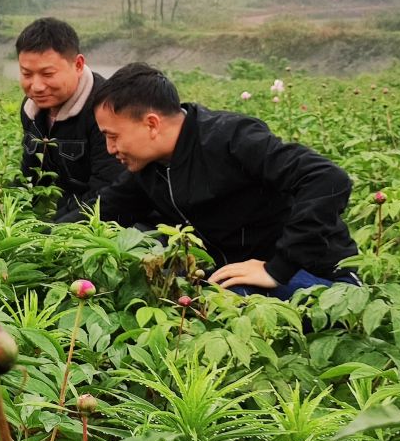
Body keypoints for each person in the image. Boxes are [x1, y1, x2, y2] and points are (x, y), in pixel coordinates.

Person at [91, 63, 358, 299]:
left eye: (113, 136)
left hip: (319, 275)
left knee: (219, 302)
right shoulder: (152, 167)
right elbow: (102, 210)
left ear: (151, 124)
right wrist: (52, 242)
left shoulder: (230, 138)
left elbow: (327, 178)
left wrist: (278, 268)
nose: (110, 148)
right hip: (237, 273)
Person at [15, 16, 125, 222]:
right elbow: (30, 176)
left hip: (97, 218)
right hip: (61, 210)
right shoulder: (31, 108)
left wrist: (54, 231)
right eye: (26, 74)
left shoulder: (107, 109)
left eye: (48, 74)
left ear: (78, 65)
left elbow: (109, 193)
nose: (36, 86)